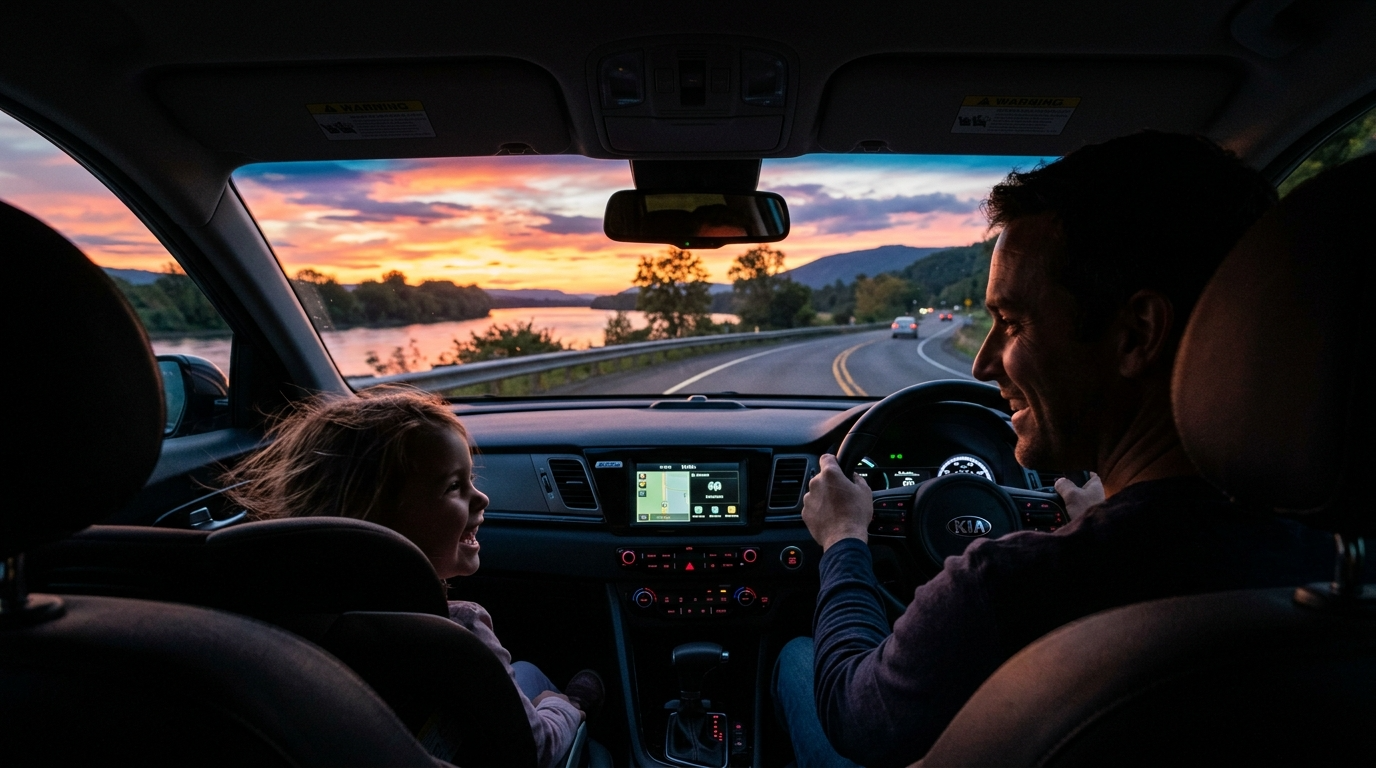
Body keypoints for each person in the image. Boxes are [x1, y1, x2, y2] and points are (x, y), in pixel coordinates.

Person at [772, 131, 1336, 768]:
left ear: (1136, 335)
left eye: (1011, 323)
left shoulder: (1008, 589)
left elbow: (856, 714)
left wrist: (845, 539)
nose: (983, 364)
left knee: (800, 659)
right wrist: (1103, 514)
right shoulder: (1341, 565)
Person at [221, 387, 602, 768]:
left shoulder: (266, 618)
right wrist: (563, 706)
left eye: (471, 479)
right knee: (543, 689)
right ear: (375, 518)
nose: (481, 498)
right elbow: (537, 750)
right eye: (454, 486)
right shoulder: (460, 631)